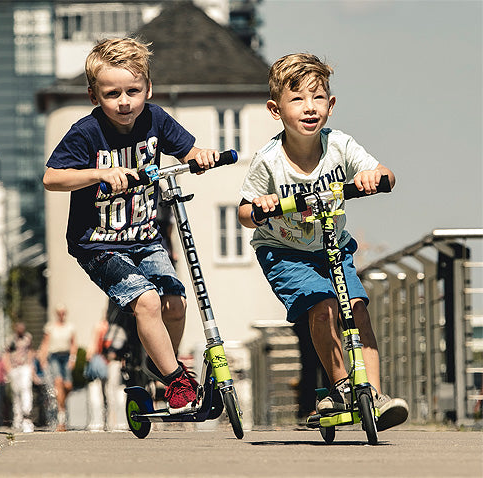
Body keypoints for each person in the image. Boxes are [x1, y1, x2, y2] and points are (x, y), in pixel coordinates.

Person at [43, 37, 219, 414]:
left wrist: (198, 156)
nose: (124, 102)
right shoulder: (86, 133)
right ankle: (177, 381)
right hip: (98, 244)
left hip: (146, 236)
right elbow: (52, 178)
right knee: (147, 300)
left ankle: (161, 364)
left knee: (174, 302)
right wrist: (97, 173)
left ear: (148, 89)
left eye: (133, 91)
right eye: (112, 93)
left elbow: (186, 151)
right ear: (94, 96)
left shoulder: (156, 119)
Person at [237, 53, 409, 431]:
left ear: (330, 106)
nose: (309, 107)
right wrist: (263, 206)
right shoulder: (268, 161)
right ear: (275, 109)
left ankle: (375, 396)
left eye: (318, 98)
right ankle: (343, 386)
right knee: (324, 307)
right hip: (284, 253)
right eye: (297, 99)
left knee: (357, 309)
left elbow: (387, 176)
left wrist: (373, 176)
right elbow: (244, 213)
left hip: (333, 245)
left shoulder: (340, 146)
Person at [38, 305, 77, 431]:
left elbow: (73, 344)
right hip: (54, 356)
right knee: (58, 382)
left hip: (66, 357)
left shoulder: (70, 327)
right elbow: (45, 343)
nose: (62, 315)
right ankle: (61, 417)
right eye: (59, 313)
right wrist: (42, 359)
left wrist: (73, 358)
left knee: (68, 386)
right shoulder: (50, 327)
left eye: (63, 312)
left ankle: (61, 403)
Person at [5, 322, 35, 433]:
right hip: (14, 368)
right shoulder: (11, 339)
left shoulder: (28, 338)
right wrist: (8, 368)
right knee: (16, 392)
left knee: (26, 388)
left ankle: (27, 413)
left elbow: (31, 351)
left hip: (25, 366)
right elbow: (6, 353)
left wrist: (31, 365)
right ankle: (17, 417)